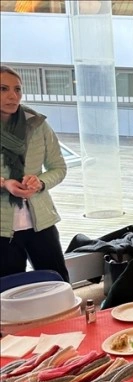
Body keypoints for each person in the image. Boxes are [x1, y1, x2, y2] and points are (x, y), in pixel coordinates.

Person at [0, 65, 69, 282]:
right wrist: (5, 184)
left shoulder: (37, 124)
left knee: (58, 282)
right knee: (10, 291)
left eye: (17, 89)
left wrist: (40, 182)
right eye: (3, 89)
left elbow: (59, 167)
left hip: (41, 221)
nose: (13, 96)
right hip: (2, 229)